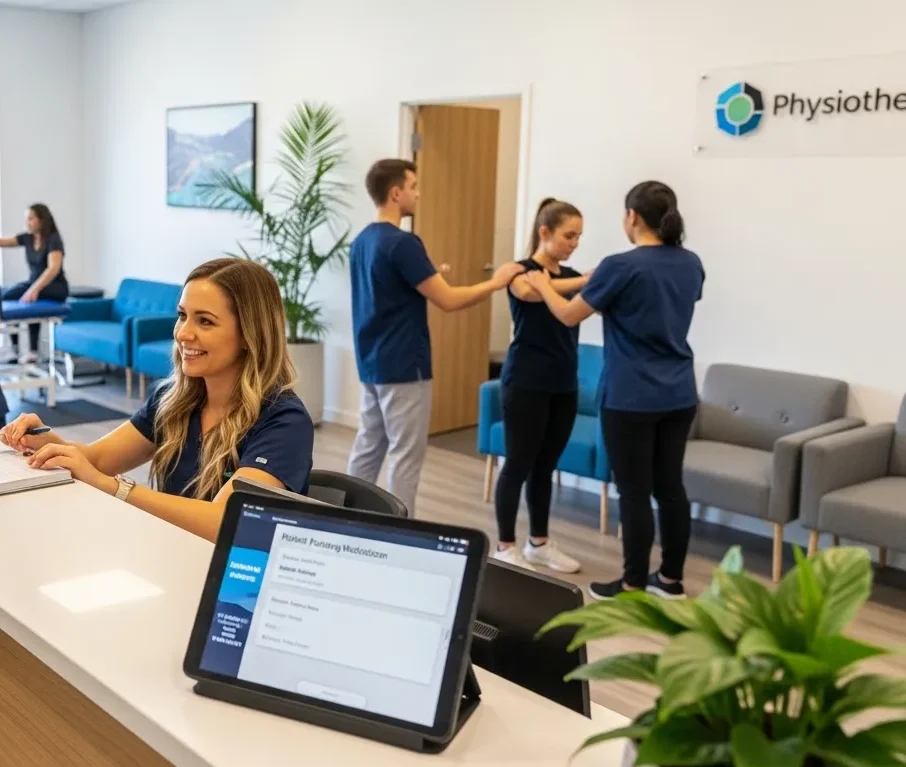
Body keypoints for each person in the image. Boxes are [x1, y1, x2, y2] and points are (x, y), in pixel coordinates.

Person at [0, 258, 314, 542]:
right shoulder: (173, 399)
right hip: (169, 555)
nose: (183, 334)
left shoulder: (283, 420)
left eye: (204, 321)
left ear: (249, 334)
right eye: (182, 316)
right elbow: (98, 460)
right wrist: (46, 442)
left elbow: (225, 522)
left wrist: (116, 488)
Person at [525, 181, 704, 601]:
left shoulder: (621, 266)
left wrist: (544, 284)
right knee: (670, 487)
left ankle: (632, 584)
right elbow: (664, 307)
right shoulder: (691, 263)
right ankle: (671, 580)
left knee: (635, 491)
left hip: (631, 396)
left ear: (632, 217)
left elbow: (570, 316)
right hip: (679, 393)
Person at [348, 158, 525, 516]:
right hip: (404, 365)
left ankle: (346, 515)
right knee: (405, 454)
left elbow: (391, 285)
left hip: (372, 362)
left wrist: (434, 272)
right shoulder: (403, 243)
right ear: (396, 193)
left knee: (369, 446)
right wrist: (497, 280)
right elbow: (448, 300)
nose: (418, 193)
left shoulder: (363, 240)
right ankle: (400, 530)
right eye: (413, 187)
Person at [493, 198, 589, 574]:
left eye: (579, 236)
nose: (574, 243)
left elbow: (575, 304)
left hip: (563, 383)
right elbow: (530, 293)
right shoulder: (517, 271)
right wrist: (587, 280)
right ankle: (505, 545)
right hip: (525, 382)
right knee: (518, 463)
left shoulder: (569, 275)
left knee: (545, 466)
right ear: (544, 232)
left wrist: (583, 281)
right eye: (569, 235)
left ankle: (539, 543)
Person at [0, 204, 70, 360]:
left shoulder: (53, 240)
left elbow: (53, 269)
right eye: (27, 219)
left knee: (25, 297)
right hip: (34, 284)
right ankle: (16, 350)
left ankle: (33, 352)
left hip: (55, 287)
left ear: (42, 220)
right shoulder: (27, 238)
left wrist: (34, 289)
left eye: (31, 218)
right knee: (6, 294)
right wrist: (32, 288)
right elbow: (3, 242)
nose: (27, 222)